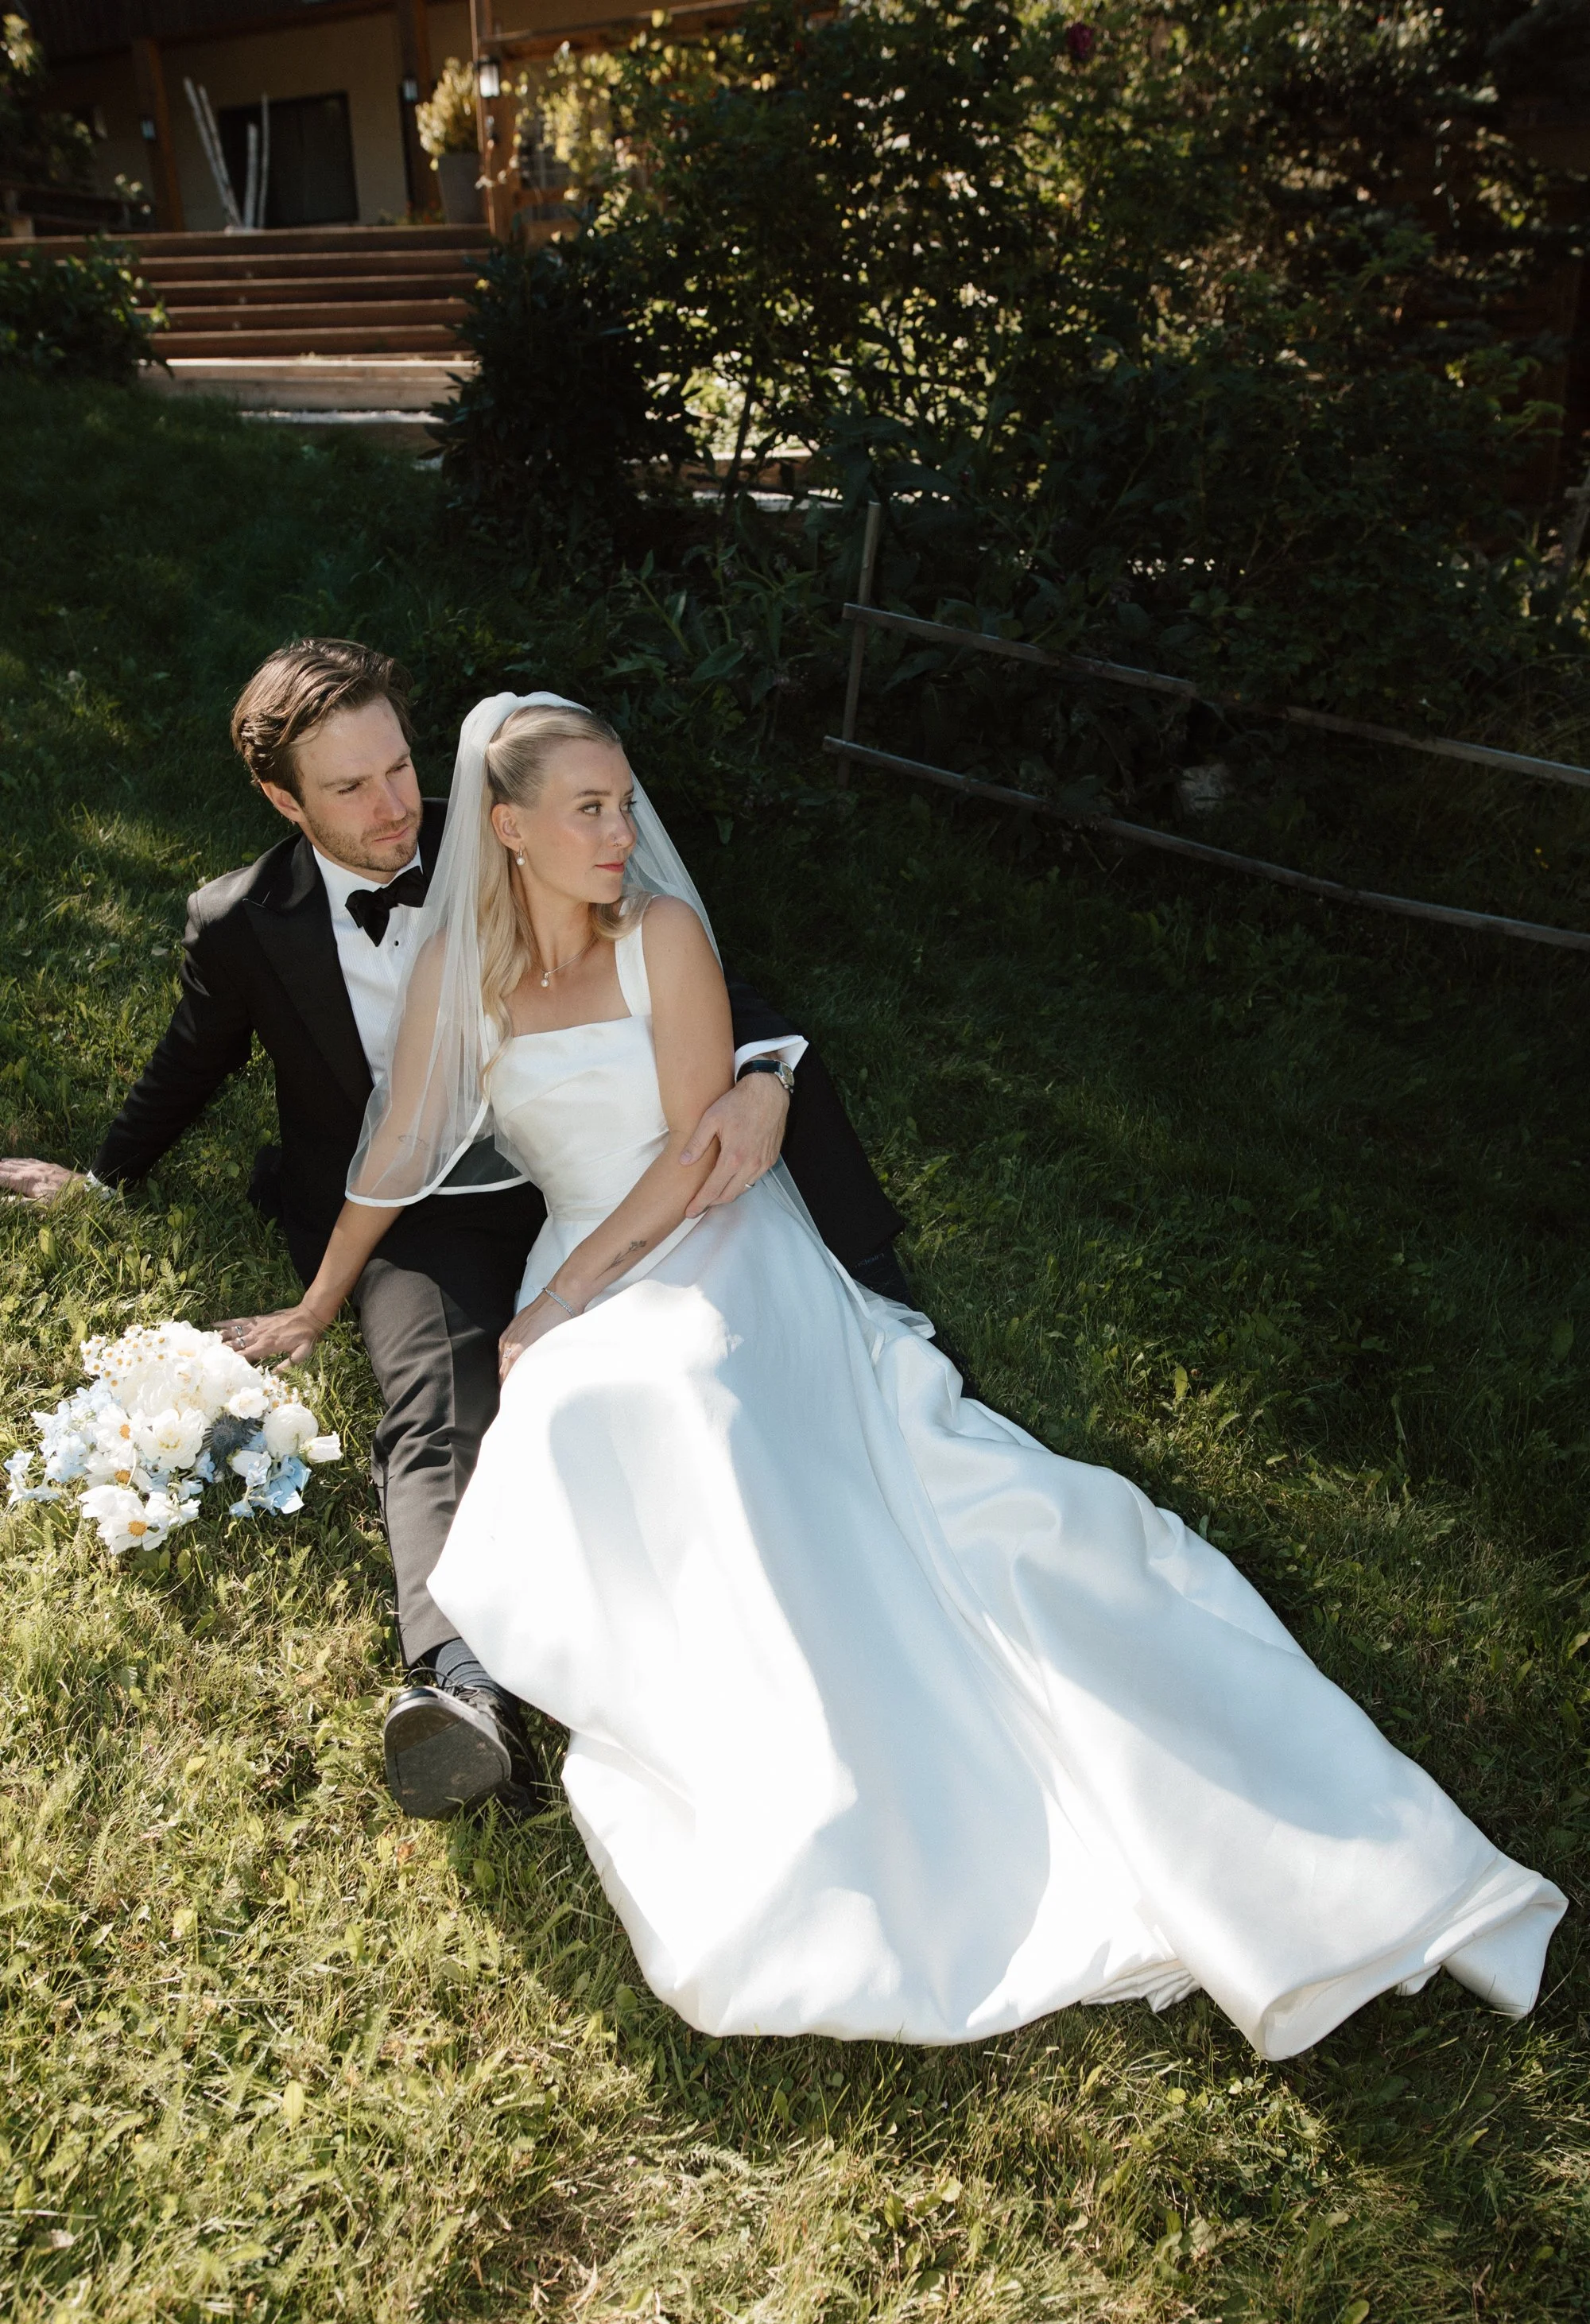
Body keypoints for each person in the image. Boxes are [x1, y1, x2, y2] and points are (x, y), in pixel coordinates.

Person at [217, 689, 1564, 2058]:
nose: (625, 831)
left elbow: (696, 1161)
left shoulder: (662, 938)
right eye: (591, 810)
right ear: (506, 829)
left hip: (710, 1240)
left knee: (667, 1388)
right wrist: (319, 1303)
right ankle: (651, 1705)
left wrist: (560, 1298)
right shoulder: (460, 971)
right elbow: (395, 1155)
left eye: (628, 803)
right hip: (582, 1248)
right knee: (571, 1408)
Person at [0, 642, 907, 1824]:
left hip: (617, 1173)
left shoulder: (522, 823)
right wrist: (112, 1180)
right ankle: (462, 1682)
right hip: (429, 1206)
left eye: (399, 770)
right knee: (438, 1389)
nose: (394, 809)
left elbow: (692, 975)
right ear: (283, 801)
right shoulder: (241, 922)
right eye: (348, 789)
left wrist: (765, 1073)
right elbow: (197, 1066)